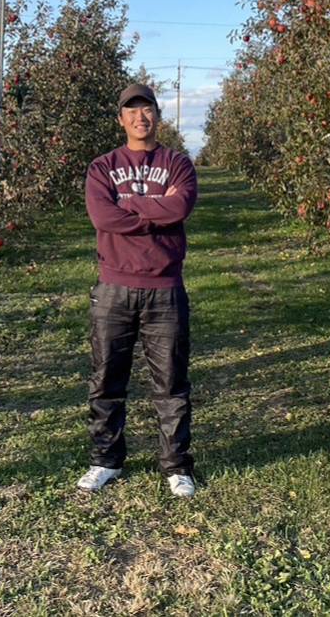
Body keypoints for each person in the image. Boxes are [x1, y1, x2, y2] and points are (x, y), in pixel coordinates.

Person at [77, 82, 199, 497]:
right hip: (114, 287)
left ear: (157, 117)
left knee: (171, 383)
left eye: (146, 110)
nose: (140, 117)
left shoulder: (178, 163)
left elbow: (179, 207)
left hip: (165, 287)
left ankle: (176, 466)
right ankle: (105, 460)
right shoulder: (102, 166)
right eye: (131, 111)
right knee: (107, 379)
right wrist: (154, 212)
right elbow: (102, 217)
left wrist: (128, 206)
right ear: (121, 119)